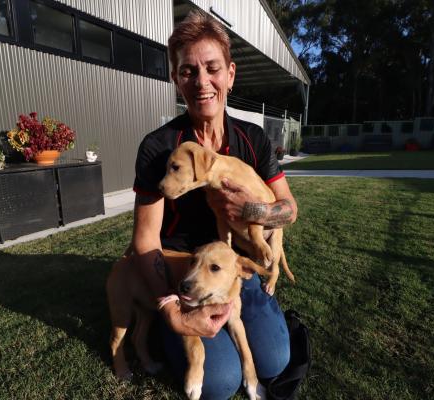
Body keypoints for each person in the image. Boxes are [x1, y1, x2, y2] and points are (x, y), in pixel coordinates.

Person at [116, 10, 298, 399]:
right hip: (183, 273)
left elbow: (289, 209)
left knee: (276, 360)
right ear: (175, 79)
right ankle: (174, 334)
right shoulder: (158, 148)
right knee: (218, 382)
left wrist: (254, 212)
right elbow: (145, 241)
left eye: (212, 68)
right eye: (187, 71)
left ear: (230, 74)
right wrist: (171, 309)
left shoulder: (253, 140)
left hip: (235, 270)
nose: (202, 82)